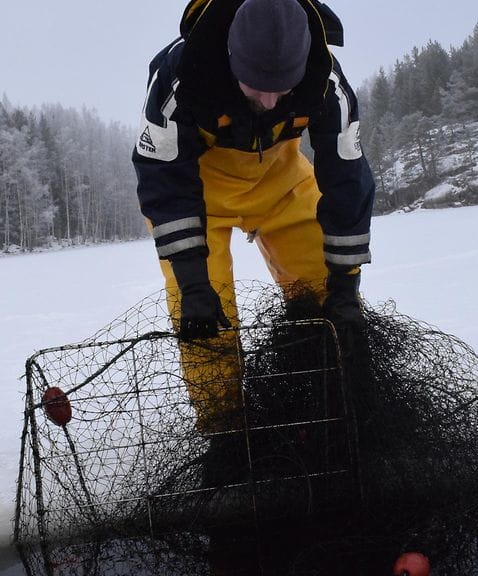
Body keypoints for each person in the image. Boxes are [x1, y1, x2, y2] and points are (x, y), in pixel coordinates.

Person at [133, 0, 375, 435]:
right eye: (255, 86)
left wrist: (346, 281)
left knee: (326, 303)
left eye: (282, 88)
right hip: (198, 202)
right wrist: (192, 282)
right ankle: (225, 435)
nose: (268, 100)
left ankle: (339, 421)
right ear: (229, 56)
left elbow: (347, 181)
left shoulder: (326, 80)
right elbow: (163, 183)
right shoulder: (179, 75)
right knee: (206, 324)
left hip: (283, 186)